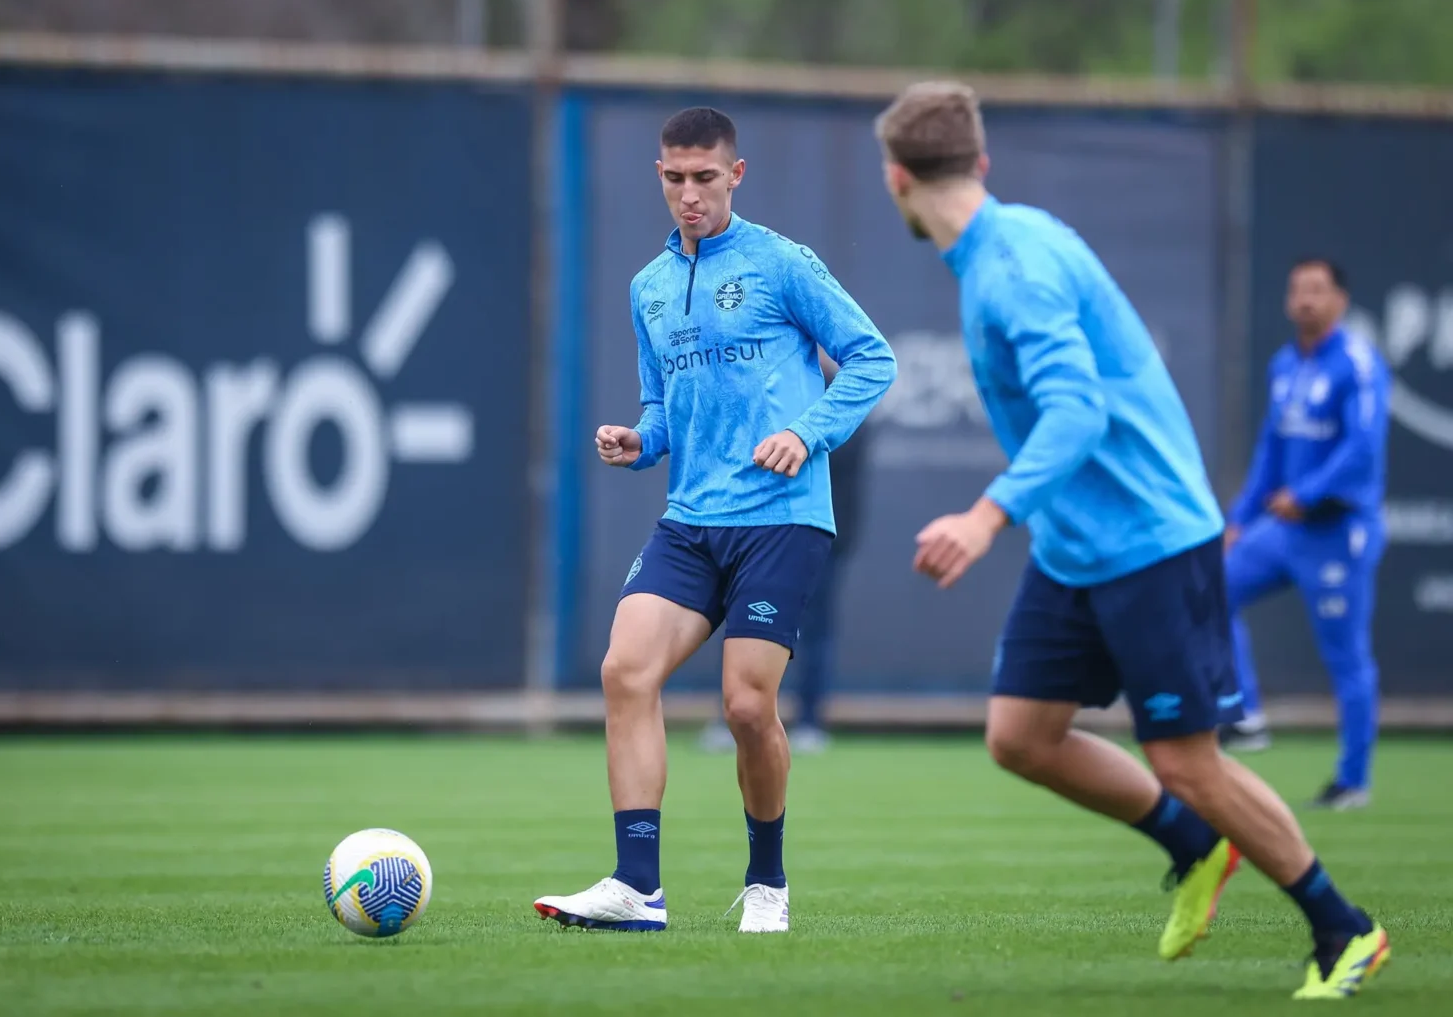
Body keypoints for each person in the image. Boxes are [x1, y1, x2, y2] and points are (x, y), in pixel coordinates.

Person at [874, 80, 1389, 1000]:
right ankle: (1192, 846)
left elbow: (1077, 408)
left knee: (1189, 762)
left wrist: (986, 514)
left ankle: (1342, 927)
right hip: (1078, 545)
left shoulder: (1014, 269)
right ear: (981, 164)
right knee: (1021, 735)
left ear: (895, 178)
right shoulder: (1005, 241)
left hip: (1151, 542)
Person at [534, 107, 896, 934]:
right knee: (625, 671)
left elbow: (873, 356)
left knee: (743, 706)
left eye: (705, 178)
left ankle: (767, 882)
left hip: (782, 519)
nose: (689, 195)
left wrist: (806, 433)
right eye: (674, 178)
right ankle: (637, 887)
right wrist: (639, 439)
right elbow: (662, 408)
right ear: (658, 176)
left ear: (736, 175)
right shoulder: (648, 288)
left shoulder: (781, 263)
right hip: (692, 521)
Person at [1221, 259, 1389, 811]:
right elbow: (1271, 449)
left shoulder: (1358, 363)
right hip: (1283, 529)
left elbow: (1361, 447)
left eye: (1317, 290)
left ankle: (1352, 780)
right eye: (1297, 289)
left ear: (1340, 299)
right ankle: (1246, 716)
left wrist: (1308, 493)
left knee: (1346, 657)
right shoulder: (1285, 364)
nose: (1305, 300)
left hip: (1337, 529)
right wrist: (1240, 518)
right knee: (1210, 590)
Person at [698, 345, 873, 755]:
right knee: (742, 624)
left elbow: (835, 463)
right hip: (759, 530)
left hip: (821, 534)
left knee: (814, 632)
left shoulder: (843, 394)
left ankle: (810, 721)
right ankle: (731, 721)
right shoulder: (770, 387)